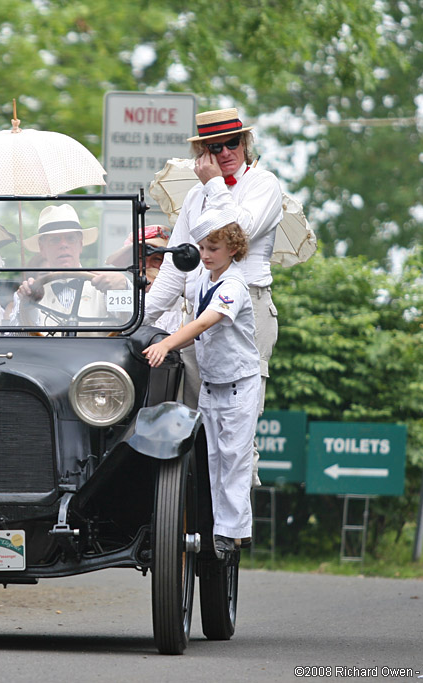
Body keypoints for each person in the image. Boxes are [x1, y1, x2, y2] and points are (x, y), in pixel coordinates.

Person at [146, 107, 282, 485]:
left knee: (237, 431)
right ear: (203, 154)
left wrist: (214, 186)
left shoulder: (264, 184)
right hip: (198, 315)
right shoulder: (195, 197)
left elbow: (239, 233)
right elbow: (176, 268)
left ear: (245, 144)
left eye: (232, 143)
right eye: (215, 147)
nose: (225, 153)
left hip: (247, 309)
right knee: (190, 424)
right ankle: (193, 527)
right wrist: (139, 320)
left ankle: (232, 537)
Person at [143, 208, 259, 559]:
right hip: (212, 381)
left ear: (233, 250)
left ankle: (232, 532)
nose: (206, 255)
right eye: (203, 248)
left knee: (235, 456)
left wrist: (166, 343)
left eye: (214, 249)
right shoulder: (204, 278)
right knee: (213, 458)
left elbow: (207, 321)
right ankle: (220, 527)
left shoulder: (234, 285)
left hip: (239, 383)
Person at [12, 204, 128, 329]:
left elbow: (127, 323)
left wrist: (123, 289)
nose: (63, 245)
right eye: (55, 240)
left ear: (81, 244)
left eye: (70, 238)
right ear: (42, 248)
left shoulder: (106, 285)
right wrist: (28, 305)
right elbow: (19, 339)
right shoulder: (28, 292)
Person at [106, 224, 181, 333]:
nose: (148, 265)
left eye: (157, 259)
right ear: (131, 263)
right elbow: (121, 321)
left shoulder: (183, 298)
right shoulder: (121, 290)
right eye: (141, 258)